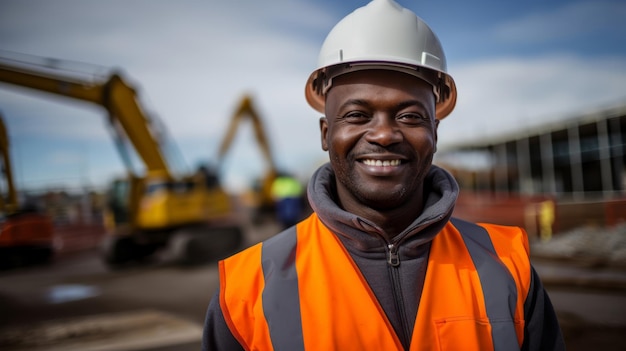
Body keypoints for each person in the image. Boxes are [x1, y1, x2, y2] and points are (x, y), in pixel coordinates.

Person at [202, 0, 565, 350]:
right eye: (357, 115)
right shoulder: (246, 287)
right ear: (326, 134)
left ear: (435, 133)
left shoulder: (507, 264)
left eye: (409, 116)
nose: (384, 134)